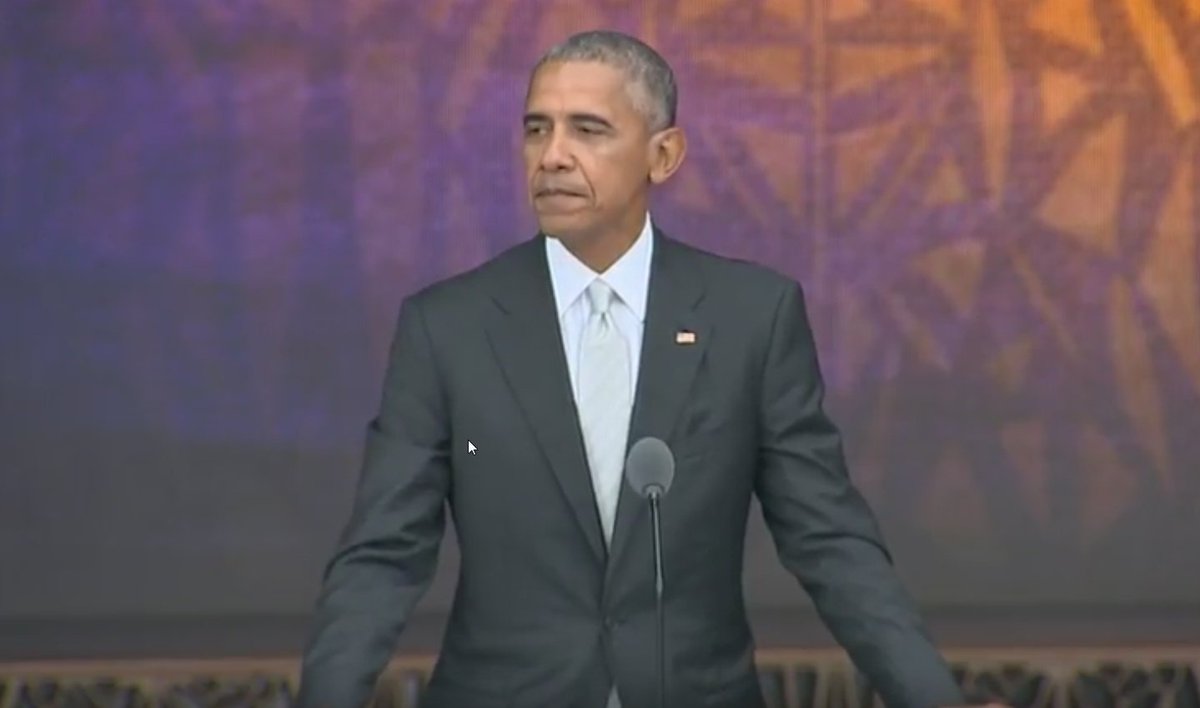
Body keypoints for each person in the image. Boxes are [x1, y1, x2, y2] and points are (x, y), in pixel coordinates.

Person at [297, 29, 972, 708]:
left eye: (587, 130)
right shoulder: (447, 327)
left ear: (664, 155)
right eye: (537, 129)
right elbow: (383, 555)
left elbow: (830, 541)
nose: (552, 157)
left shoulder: (750, 318)